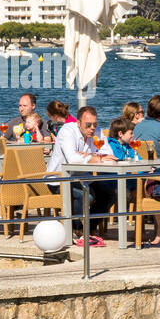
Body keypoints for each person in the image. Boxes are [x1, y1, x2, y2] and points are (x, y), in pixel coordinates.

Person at [46, 105, 116, 246]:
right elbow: (72, 159)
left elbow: (109, 154)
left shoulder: (97, 132)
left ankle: (89, 227)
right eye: (88, 125)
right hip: (59, 178)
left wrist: (90, 155)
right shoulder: (67, 131)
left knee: (110, 193)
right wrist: (95, 157)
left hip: (83, 177)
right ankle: (77, 229)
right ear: (78, 123)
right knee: (86, 195)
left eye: (94, 124)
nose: (92, 128)